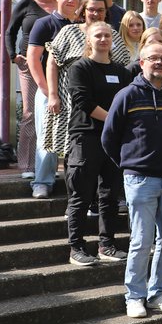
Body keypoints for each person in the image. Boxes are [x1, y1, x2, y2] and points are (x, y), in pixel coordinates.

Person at [101, 43, 162, 318]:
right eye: (153, 58)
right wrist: (130, 166)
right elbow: (109, 137)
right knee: (141, 240)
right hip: (140, 179)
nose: (159, 62)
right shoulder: (127, 95)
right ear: (142, 63)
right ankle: (135, 296)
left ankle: (158, 292)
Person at [45, 0, 131, 199]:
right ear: (83, 11)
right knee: (73, 150)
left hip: (103, 103)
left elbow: (120, 64)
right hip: (70, 98)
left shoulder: (111, 34)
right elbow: (52, 62)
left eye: (100, 10)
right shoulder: (68, 31)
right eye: (91, 9)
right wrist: (52, 94)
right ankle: (74, 197)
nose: (95, 13)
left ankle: (96, 201)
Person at [64, 21, 132, 267]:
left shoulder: (122, 71)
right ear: (89, 40)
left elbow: (128, 103)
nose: (103, 39)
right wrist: (115, 121)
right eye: (98, 35)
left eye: (107, 35)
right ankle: (76, 247)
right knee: (81, 196)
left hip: (112, 141)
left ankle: (107, 245)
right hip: (86, 137)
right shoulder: (80, 67)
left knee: (109, 196)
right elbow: (83, 101)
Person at [26, 0, 81, 197]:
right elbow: (33, 58)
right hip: (49, 91)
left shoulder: (80, 26)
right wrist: (47, 91)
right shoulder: (44, 24)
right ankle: (42, 181)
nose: (70, 1)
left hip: (73, 91)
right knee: (47, 135)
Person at [8, 0, 59, 179]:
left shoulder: (61, 5)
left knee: (54, 114)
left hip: (56, 66)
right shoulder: (26, 4)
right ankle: (27, 165)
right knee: (30, 114)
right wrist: (13, 56)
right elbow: (10, 31)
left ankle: (49, 166)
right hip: (31, 65)